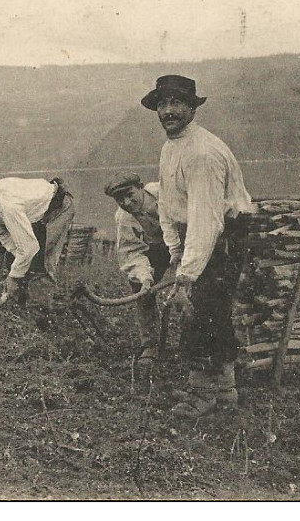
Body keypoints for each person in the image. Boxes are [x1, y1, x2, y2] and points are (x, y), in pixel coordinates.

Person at [142, 74, 254, 417]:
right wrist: (175, 253)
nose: (168, 111)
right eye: (162, 104)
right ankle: (222, 389)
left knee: (200, 311)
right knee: (211, 313)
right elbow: (167, 204)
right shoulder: (171, 146)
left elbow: (205, 219)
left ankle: (202, 395)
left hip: (220, 238)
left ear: (192, 107)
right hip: (196, 235)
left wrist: (186, 275)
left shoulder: (202, 153)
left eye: (176, 103)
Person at [0, 176, 75, 306]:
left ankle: (41, 308)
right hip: (36, 212)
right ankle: (21, 301)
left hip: (59, 208)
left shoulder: (8, 206)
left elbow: (30, 248)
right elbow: (4, 236)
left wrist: (14, 276)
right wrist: (18, 265)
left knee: (43, 258)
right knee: (22, 259)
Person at [104, 173, 172, 356]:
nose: (126, 202)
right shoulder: (124, 218)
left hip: (186, 241)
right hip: (157, 249)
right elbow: (132, 251)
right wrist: (145, 278)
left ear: (141, 187)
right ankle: (150, 343)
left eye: (130, 194)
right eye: (119, 199)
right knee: (140, 288)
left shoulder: (165, 193)